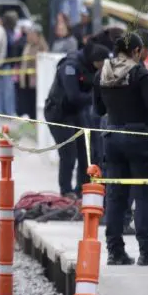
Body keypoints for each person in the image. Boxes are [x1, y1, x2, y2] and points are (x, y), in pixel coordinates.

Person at [93, 33, 148, 266]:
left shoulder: (102, 72)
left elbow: (98, 108)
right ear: (136, 51)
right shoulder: (139, 73)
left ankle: (115, 251)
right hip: (138, 137)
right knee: (143, 194)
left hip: (112, 137)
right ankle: (147, 251)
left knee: (115, 195)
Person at [44, 42, 110, 197]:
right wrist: (98, 97)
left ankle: (82, 188)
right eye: (102, 64)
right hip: (59, 113)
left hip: (76, 112)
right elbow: (73, 96)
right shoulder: (70, 67)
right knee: (68, 153)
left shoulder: (91, 67)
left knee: (86, 150)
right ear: (95, 60)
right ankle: (65, 191)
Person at [0, 11, 23, 116]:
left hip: (7, 63)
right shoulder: (4, 32)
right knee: (3, 89)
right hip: (3, 63)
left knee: (3, 88)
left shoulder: (11, 31)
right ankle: (4, 111)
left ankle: (2, 110)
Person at [17, 22, 48, 118]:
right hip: (26, 77)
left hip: (35, 78)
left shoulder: (42, 47)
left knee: (34, 98)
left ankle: (34, 117)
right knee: (27, 98)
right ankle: (28, 115)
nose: (31, 36)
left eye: (34, 34)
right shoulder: (28, 46)